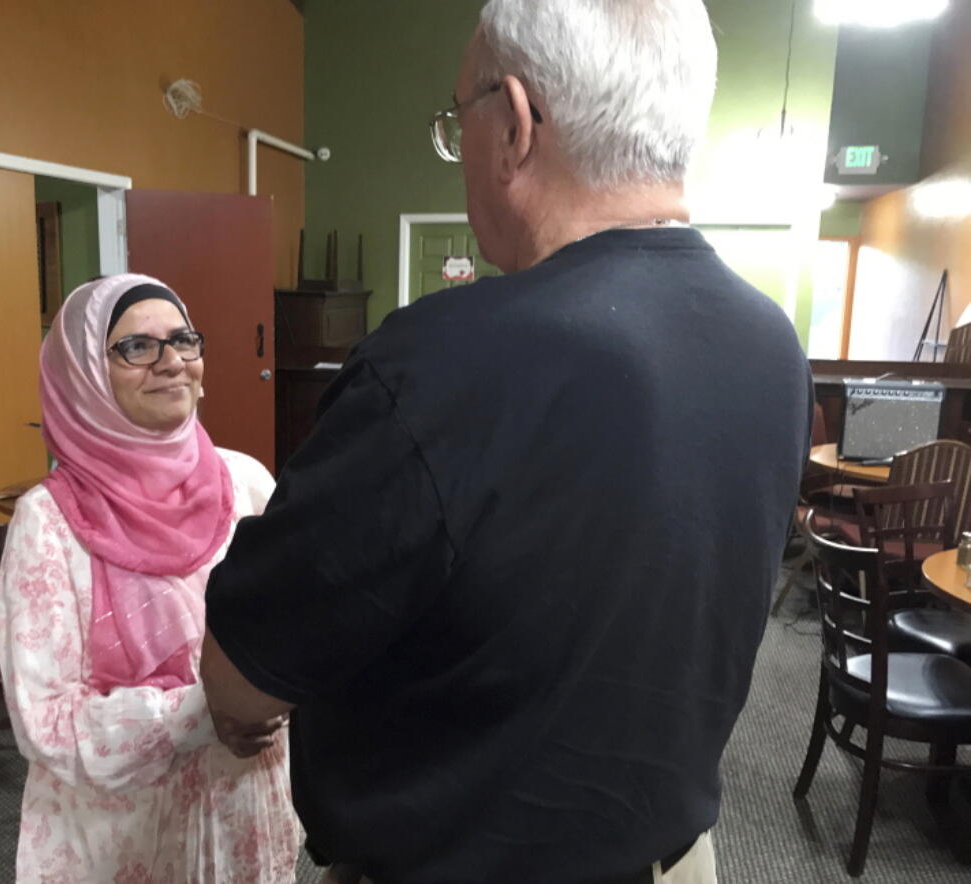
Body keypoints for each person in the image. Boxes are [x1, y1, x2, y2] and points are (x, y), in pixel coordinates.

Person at [201, 1, 812, 882]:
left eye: (460, 121)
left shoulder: (440, 363)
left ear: (516, 125)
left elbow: (240, 678)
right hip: (673, 860)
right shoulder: (771, 345)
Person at [0, 274, 301, 883]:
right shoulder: (49, 524)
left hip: (242, 802)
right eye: (137, 347)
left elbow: (295, 628)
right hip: (125, 833)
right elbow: (46, 721)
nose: (171, 363)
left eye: (184, 340)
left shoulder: (246, 486)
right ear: (84, 376)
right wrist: (204, 711)